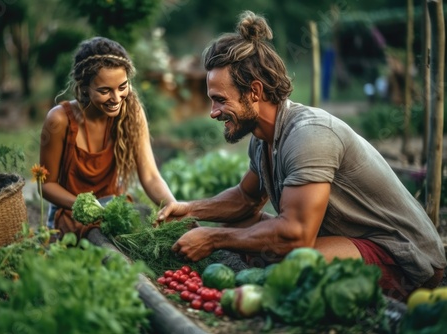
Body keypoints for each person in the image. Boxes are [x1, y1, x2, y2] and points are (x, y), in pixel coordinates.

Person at [157, 11, 446, 301]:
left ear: (254, 92)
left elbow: (295, 235)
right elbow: (245, 200)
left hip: (403, 257)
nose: (213, 112)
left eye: (220, 100)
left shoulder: (310, 135)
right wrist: (189, 209)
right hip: (353, 242)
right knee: (240, 228)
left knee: (289, 265)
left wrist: (212, 238)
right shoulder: (262, 139)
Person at [40, 36, 176, 240]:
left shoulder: (131, 112)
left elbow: (150, 176)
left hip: (114, 210)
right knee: (104, 246)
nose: (116, 98)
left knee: (145, 225)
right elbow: (47, 185)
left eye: (122, 87)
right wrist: (85, 206)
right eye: (105, 91)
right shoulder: (59, 120)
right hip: (71, 212)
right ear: (84, 86)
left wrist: (173, 207)